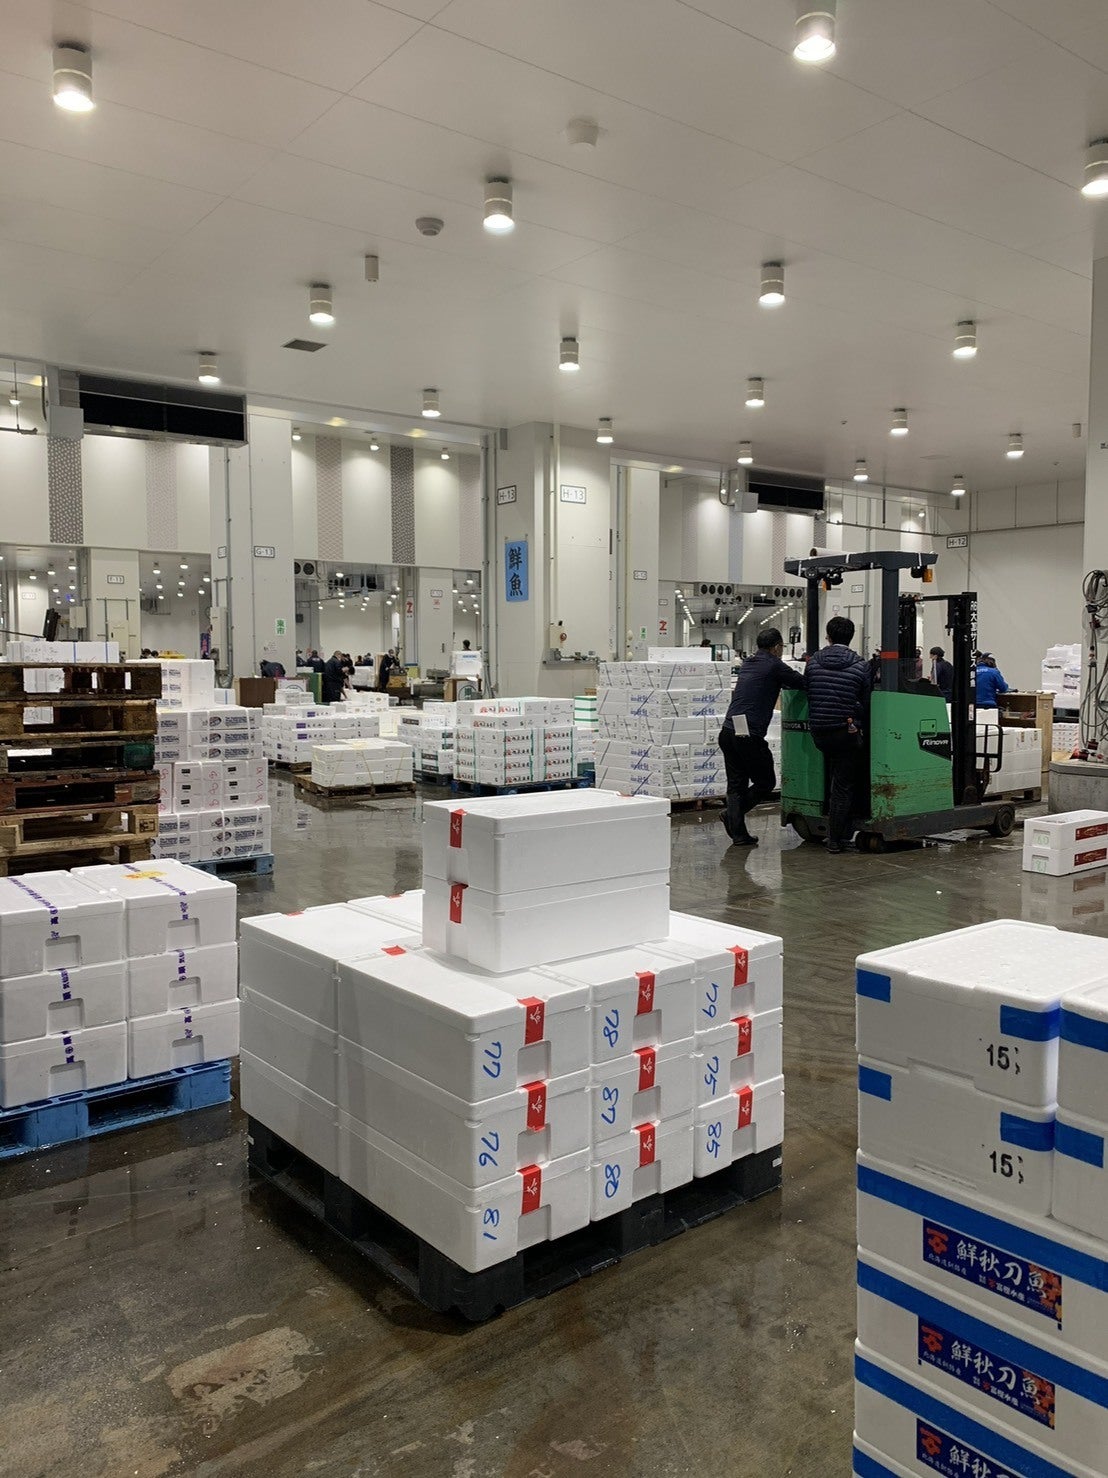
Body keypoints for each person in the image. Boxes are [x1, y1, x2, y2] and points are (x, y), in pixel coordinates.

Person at [718, 627, 803, 848]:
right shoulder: (775, 665)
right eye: (781, 646)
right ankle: (732, 816)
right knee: (766, 782)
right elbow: (801, 682)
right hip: (748, 734)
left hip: (727, 731)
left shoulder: (748, 663)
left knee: (736, 785)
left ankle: (738, 833)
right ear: (776, 647)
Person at [804, 615, 871, 854]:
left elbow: (809, 691)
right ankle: (836, 838)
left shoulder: (813, 662)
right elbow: (866, 700)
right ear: (852, 637)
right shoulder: (861, 665)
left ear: (828, 636)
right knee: (843, 785)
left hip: (819, 731)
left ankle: (832, 826)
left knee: (834, 776)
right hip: (845, 731)